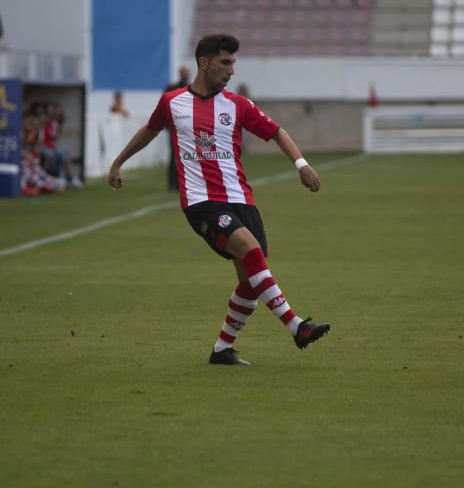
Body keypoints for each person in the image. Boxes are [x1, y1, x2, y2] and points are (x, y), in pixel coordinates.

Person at [108, 34, 331, 366]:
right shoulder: (172, 102)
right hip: (202, 203)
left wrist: (301, 165)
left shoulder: (237, 105)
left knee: (252, 281)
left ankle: (222, 350)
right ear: (204, 62)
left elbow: (277, 132)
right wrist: (117, 162)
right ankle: (295, 325)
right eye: (225, 62)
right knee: (253, 253)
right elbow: (150, 130)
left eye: (233, 64)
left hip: (242, 199)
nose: (231, 70)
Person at [165, 65, 190, 191]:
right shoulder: (176, 88)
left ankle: (179, 183)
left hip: (185, 128)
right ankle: (173, 183)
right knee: (175, 156)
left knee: (183, 157)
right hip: (176, 128)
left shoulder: (186, 88)